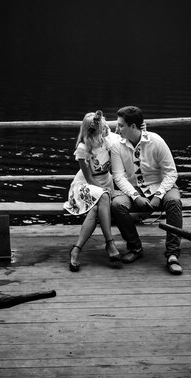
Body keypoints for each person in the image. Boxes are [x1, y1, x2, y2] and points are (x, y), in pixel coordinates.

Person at [110, 105, 183, 275]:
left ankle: (172, 254)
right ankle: (135, 247)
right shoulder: (116, 146)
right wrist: (135, 196)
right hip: (134, 188)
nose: (117, 129)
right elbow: (119, 177)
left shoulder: (156, 141)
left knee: (174, 201)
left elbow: (171, 172)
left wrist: (159, 195)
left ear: (133, 127)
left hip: (161, 184)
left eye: (121, 125)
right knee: (117, 205)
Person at [63, 110, 122, 272]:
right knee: (102, 197)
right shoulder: (83, 148)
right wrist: (104, 191)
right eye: (103, 126)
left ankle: (76, 250)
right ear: (95, 130)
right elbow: (89, 179)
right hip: (85, 186)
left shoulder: (107, 140)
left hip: (105, 183)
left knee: (96, 208)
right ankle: (110, 244)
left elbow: (125, 138)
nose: (106, 128)